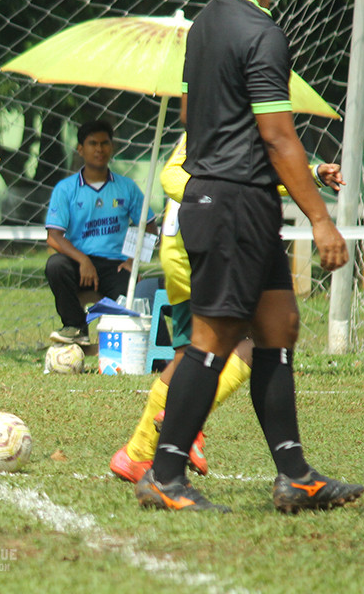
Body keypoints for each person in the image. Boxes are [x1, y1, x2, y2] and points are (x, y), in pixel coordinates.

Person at [135, 0, 364, 513]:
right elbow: (278, 135)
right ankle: (163, 475)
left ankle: (295, 475)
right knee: (211, 342)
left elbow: (193, 115)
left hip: (235, 200)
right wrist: (321, 219)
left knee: (279, 325)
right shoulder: (262, 34)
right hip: (234, 205)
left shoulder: (206, 22)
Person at [110, 134, 344, 483]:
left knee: (190, 353)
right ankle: (185, 422)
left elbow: (258, 176)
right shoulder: (219, 116)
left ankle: (137, 452)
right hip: (202, 244)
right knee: (258, 338)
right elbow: (172, 175)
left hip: (190, 243)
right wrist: (213, 198)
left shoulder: (231, 117)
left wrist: (310, 172)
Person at [45, 119, 157, 346]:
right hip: (78, 264)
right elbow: (53, 237)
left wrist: (132, 261)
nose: (99, 149)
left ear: (112, 147)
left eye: (105, 143)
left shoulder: (126, 188)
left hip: (115, 266)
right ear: (80, 149)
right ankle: (76, 328)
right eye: (92, 143)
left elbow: (151, 228)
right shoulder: (65, 189)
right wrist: (83, 259)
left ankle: (154, 355)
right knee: (55, 265)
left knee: (136, 301)